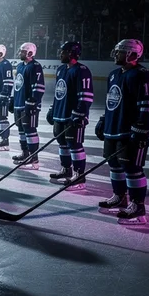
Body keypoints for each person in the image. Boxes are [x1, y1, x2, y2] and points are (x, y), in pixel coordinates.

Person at [95, 39, 149, 225]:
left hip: (130, 132)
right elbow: (111, 103)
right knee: (114, 164)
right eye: (116, 51)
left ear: (133, 54)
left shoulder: (142, 74)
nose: (116, 54)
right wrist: (104, 120)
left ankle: (138, 206)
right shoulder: (114, 74)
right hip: (114, 129)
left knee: (132, 169)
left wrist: (141, 128)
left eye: (120, 51)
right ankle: (119, 197)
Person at [46, 41, 93, 188]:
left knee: (75, 145)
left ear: (73, 53)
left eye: (64, 52)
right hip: (60, 114)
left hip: (73, 116)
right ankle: (66, 170)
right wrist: (53, 109)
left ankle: (79, 176)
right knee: (62, 143)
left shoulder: (82, 70)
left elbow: (86, 95)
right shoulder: (61, 69)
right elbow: (58, 93)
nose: (61, 54)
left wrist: (80, 114)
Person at [12, 42, 46, 169]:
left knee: (30, 130)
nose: (20, 53)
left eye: (22, 51)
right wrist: (13, 99)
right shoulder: (20, 66)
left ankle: (33, 157)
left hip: (29, 105)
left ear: (30, 53)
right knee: (21, 129)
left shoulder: (35, 66)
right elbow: (18, 85)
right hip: (19, 104)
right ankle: (25, 153)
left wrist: (32, 102)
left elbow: (39, 88)